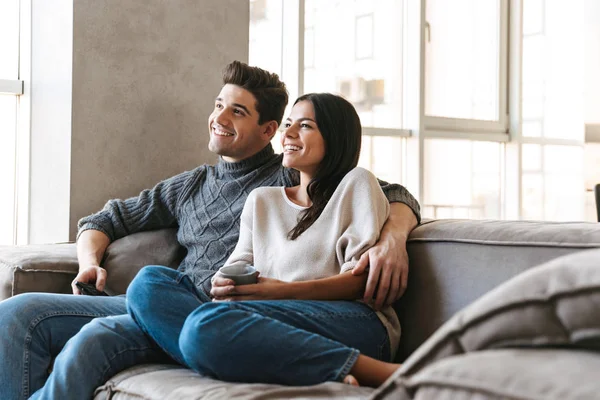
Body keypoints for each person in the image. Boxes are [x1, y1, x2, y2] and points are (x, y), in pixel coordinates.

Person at [0, 61, 420, 399]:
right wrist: (89, 262)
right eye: (219, 104)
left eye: (237, 111)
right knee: (22, 312)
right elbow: (105, 219)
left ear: (267, 131)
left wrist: (394, 237)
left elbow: (394, 193)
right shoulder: (208, 188)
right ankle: (225, 344)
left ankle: (238, 347)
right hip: (195, 307)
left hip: (250, 312)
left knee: (104, 337)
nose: (219, 117)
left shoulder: (294, 176)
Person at [127, 93, 402, 387]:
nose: (289, 134)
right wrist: (225, 285)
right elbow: (238, 266)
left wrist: (283, 291)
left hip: (353, 321)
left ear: (335, 136)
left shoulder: (357, 183)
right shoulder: (262, 200)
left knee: (203, 326)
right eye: (288, 124)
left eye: (305, 126)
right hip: (273, 317)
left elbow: (361, 282)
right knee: (148, 286)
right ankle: (318, 369)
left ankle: (379, 372)